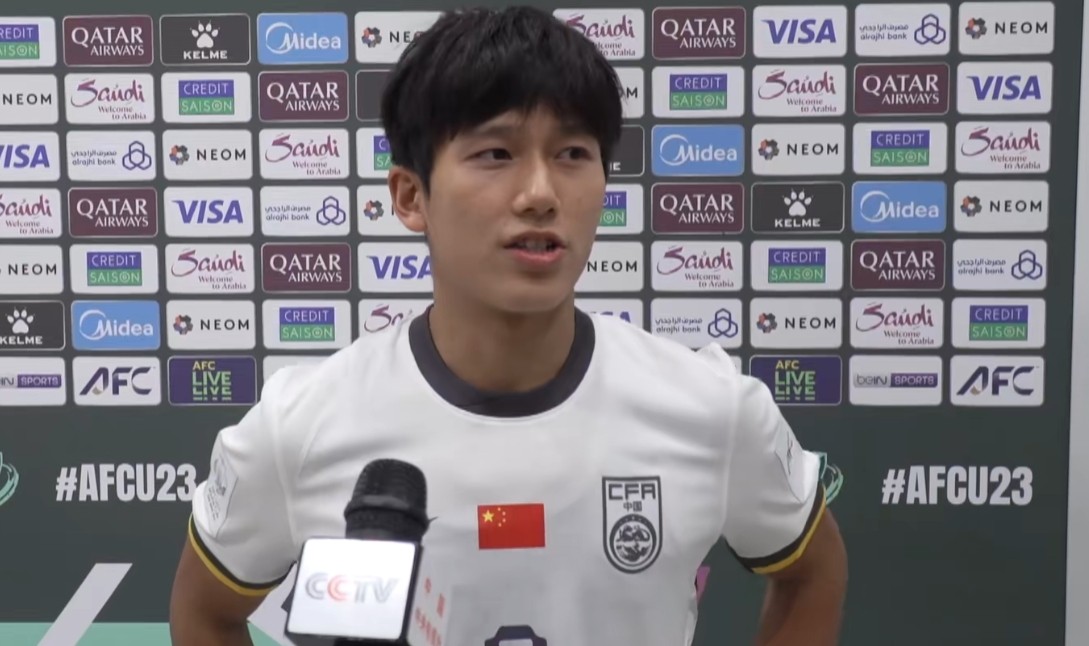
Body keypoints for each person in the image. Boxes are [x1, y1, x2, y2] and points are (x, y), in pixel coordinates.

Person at [168, 6, 848, 645]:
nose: (540, 194)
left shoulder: (711, 406)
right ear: (410, 195)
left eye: (572, 153)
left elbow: (813, 572)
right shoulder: (301, 424)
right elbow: (204, 610)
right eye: (496, 154)